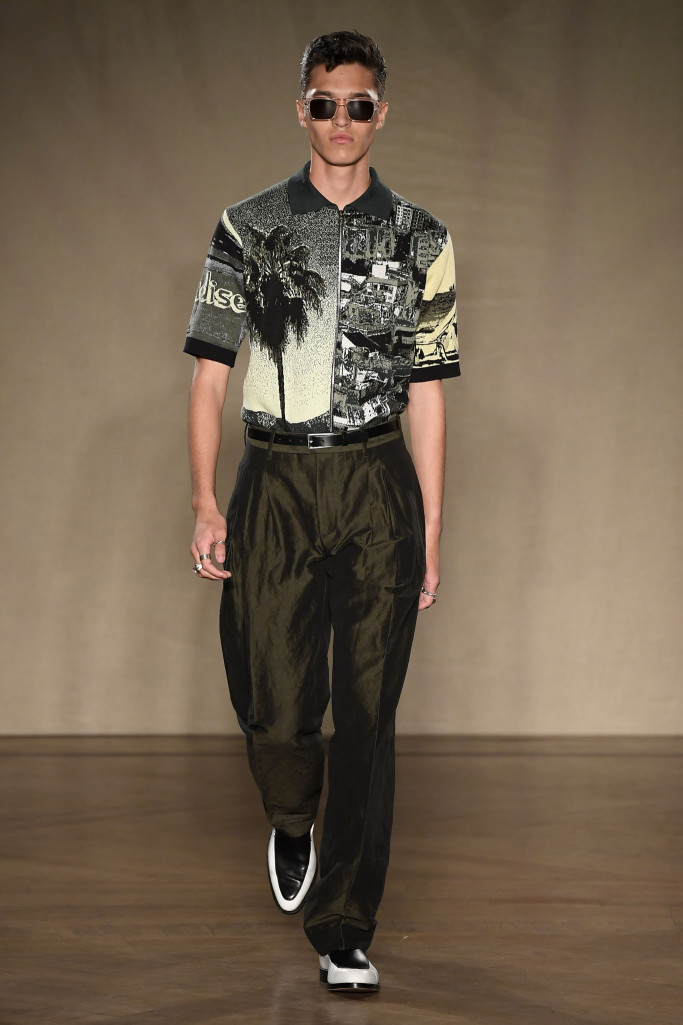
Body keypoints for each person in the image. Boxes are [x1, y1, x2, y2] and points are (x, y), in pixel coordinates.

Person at [183, 29, 460, 994]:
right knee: (273, 698)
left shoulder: (422, 236)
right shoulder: (247, 225)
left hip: (378, 483)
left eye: (358, 103)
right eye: (324, 102)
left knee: (369, 712)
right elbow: (209, 375)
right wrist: (204, 500)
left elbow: (427, 390)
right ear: (300, 108)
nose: (341, 119)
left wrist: (431, 525)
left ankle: (344, 927)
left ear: (381, 113)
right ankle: (291, 813)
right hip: (274, 479)